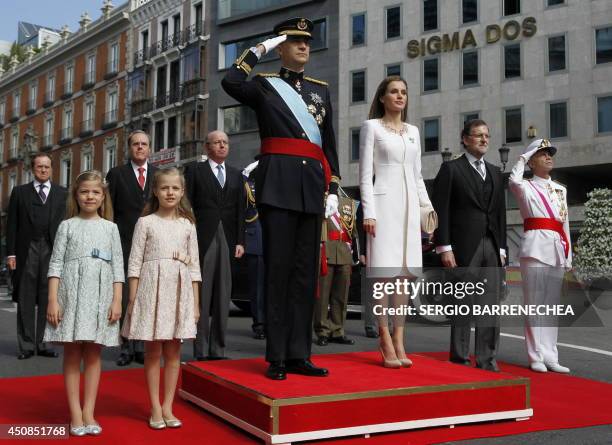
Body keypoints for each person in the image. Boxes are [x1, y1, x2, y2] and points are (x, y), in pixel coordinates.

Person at [222, 17, 340, 380]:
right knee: (278, 272)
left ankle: (298, 353)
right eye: (295, 41)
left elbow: (329, 143)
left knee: (305, 276)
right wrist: (261, 48)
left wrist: (333, 187)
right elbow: (231, 81)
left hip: (309, 187)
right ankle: (275, 355)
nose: (304, 46)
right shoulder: (264, 86)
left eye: (307, 41)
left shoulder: (320, 90)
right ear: (282, 48)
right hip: (277, 185)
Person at [359, 76, 435, 368]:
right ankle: (383, 336)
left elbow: (417, 176)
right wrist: (369, 212)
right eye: (394, 91)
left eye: (404, 91)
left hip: (408, 209)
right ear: (382, 97)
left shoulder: (414, 131)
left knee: (404, 276)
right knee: (384, 276)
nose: (400, 96)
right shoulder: (372, 127)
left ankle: (399, 336)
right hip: (382, 205)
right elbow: (365, 174)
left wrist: (426, 209)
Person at [44, 170, 123, 436]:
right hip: (70, 293)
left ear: (103, 197)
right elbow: (55, 264)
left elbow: (118, 268)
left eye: (95, 192)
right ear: (76, 195)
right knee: (72, 353)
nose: (90, 196)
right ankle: (75, 413)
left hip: (100, 295)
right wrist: (53, 300)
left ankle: (89, 411)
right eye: (84, 192)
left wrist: (117, 300)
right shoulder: (67, 225)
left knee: (93, 354)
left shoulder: (111, 228)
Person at [121, 168, 201, 429]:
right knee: (153, 352)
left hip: (179, 292)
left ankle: (168, 406)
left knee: (174, 352)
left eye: (175, 188)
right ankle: (155, 407)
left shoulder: (187, 224)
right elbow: (134, 263)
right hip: (150, 291)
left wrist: (196, 303)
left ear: (182, 192)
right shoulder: (146, 222)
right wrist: (133, 300)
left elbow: (194, 267)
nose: (170, 192)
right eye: (165, 188)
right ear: (155, 191)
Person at [432, 119, 507, 372]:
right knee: (462, 304)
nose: (484, 139)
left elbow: (500, 214)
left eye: (487, 135)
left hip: (491, 245)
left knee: (490, 306)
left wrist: (503, 248)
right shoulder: (451, 169)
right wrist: (444, 247)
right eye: (478, 135)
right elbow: (440, 209)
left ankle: (487, 360)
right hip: (463, 247)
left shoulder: (496, 172)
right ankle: (460, 359)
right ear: (465, 139)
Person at [509, 139, 571, 373]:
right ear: (532, 160)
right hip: (535, 247)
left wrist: (568, 257)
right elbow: (513, 180)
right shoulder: (525, 186)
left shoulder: (560, 189)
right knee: (534, 305)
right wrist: (522, 158)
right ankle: (535, 355)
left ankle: (550, 355)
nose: (548, 157)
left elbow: (563, 224)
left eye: (549, 153)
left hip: (556, 248)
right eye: (542, 153)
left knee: (551, 306)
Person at [184, 131, 245, 360]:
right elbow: (187, 205)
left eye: (225, 142)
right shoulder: (194, 171)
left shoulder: (237, 174)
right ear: (207, 146)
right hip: (203, 237)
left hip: (228, 238)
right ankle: (200, 349)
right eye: (217, 142)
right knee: (202, 294)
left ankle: (218, 349)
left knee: (223, 294)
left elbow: (241, 209)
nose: (222, 145)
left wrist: (240, 240)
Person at [6, 153, 67, 360]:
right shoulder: (19, 192)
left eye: (47, 167)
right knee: (25, 297)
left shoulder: (62, 193)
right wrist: (11, 253)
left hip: (52, 249)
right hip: (26, 249)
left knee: (48, 297)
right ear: (33, 169)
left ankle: (44, 343)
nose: (43, 170)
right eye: (40, 166)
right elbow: (11, 225)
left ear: (51, 169)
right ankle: (26, 345)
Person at [106, 130, 158, 366]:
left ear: (149, 148)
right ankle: (126, 346)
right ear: (129, 148)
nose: (140, 147)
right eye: (135, 144)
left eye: (144, 144)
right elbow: (109, 212)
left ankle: (141, 347)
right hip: (124, 242)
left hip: (153, 245)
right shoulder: (116, 174)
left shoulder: (158, 174)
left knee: (147, 296)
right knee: (128, 296)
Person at [315, 194, 358, 346]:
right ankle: (322, 331)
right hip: (326, 250)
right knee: (323, 296)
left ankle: (337, 330)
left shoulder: (348, 203)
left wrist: (355, 252)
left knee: (341, 296)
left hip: (344, 252)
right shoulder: (319, 198)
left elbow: (353, 229)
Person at [242, 161, 266, 340]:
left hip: (273, 242)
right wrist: (248, 169)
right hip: (255, 241)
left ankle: (271, 322)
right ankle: (259, 324)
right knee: (257, 288)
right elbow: (238, 183)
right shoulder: (248, 187)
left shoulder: (273, 187)